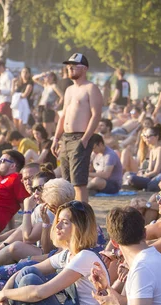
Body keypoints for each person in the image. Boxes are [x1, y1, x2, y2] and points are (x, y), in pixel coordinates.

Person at [52, 53, 103, 202]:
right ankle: (70, 212)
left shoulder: (91, 88)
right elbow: (63, 116)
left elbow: (96, 115)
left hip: (80, 137)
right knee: (66, 181)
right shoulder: (69, 90)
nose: (70, 68)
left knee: (79, 182)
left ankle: (83, 215)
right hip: (66, 138)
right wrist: (56, 138)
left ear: (84, 68)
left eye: (74, 66)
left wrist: (86, 139)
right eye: (69, 66)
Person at [126, 126, 161, 192]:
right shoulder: (152, 150)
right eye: (145, 136)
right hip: (151, 178)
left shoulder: (160, 149)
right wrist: (142, 173)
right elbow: (150, 169)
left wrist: (144, 175)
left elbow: (156, 171)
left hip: (158, 178)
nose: (146, 139)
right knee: (128, 174)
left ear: (157, 136)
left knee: (132, 178)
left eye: (149, 136)